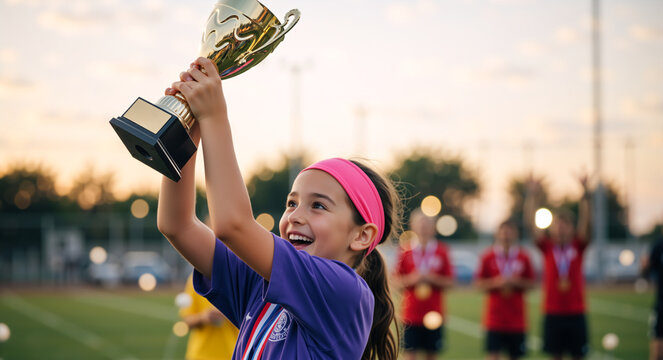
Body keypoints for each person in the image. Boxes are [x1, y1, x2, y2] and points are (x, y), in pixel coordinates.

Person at [157, 57, 400, 359]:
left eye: (318, 206)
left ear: (362, 236)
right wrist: (185, 136)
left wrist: (214, 116)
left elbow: (232, 225)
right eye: (292, 203)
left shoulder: (344, 290)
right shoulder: (261, 287)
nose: (296, 216)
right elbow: (177, 226)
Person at [525, 176, 591, 360]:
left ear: (572, 228)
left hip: (576, 311)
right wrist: (532, 197)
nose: (561, 229)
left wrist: (586, 196)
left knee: (578, 355)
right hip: (552, 311)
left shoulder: (578, 246)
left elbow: (587, 224)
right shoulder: (547, 247)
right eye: (558, 226)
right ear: (552, 228)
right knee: (556, 356)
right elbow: (531, 224)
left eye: (565, 225)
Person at [392, 209, 455, 360]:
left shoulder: (442, 251)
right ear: (412, 225)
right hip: (411, 314)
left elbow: (450, 282)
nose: (423, 227)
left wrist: (432, 278)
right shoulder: (405, 250)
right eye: (420, 224)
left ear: (433, 227)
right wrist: (413, 279)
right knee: (409, 354)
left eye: (427, 224)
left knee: (431, 354)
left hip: (434, 313)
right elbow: (395, 281)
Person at [475, 219, 536, 360]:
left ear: (516, 234)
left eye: (509, 232)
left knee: (515, 355)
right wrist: (496, 283)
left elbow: (532, 284)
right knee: (493, 355)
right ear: (497, 234)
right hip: (494, 319)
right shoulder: (488, 256)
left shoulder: (524, 256)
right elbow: (478, 284)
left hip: (517, 319)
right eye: (503, 232)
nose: (506, 235)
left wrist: (516, 282)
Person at [180, 273, 239, 360]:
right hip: (201, 354)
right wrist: (204, 317)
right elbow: (187, 321)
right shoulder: (196, 278)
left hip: (233, 353)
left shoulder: (239, 276)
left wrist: (228, 311)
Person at [640, 231, 663, 360]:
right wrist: (644, 266)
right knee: (657, 353)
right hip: (661, 304)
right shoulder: (659, 245)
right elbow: (646, 273)